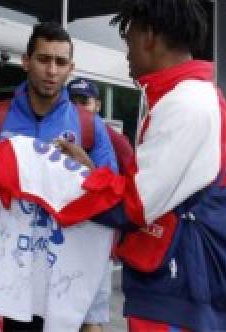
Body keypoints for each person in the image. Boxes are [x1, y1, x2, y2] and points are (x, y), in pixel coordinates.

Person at [55, 0, 226, 331]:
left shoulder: (186, 103)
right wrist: (92, 171)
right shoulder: (197, 96)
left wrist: (59, 181)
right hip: (188, 286)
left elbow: (136, 204)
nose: (127, 55)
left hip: (182, 291)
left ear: (149, 37)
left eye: (128, 41)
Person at [0, 23, 117, 331]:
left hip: (63, 271)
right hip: (4, 268)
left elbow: (113, 196)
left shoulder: (89, 126)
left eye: (60, 62)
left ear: (71, 68)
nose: (51, 70)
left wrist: (89, 168)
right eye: (43, 59)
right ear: (26, 61)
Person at [66, 76, 133, 332]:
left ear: (98, 105)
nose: (78, 107)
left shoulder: (115, 140)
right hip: (62, 237)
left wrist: (87, 165)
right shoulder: (56, 129)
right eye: (72, 101)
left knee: (91, 315)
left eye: (84, 101)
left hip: (98, 237)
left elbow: (127, 189)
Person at [67, 77, 135, 174]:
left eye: (84, 103)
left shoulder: (117, 141)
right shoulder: (59, 130)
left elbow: (132, 177)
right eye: (72, 103)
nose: (78, 108)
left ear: (97, 106)